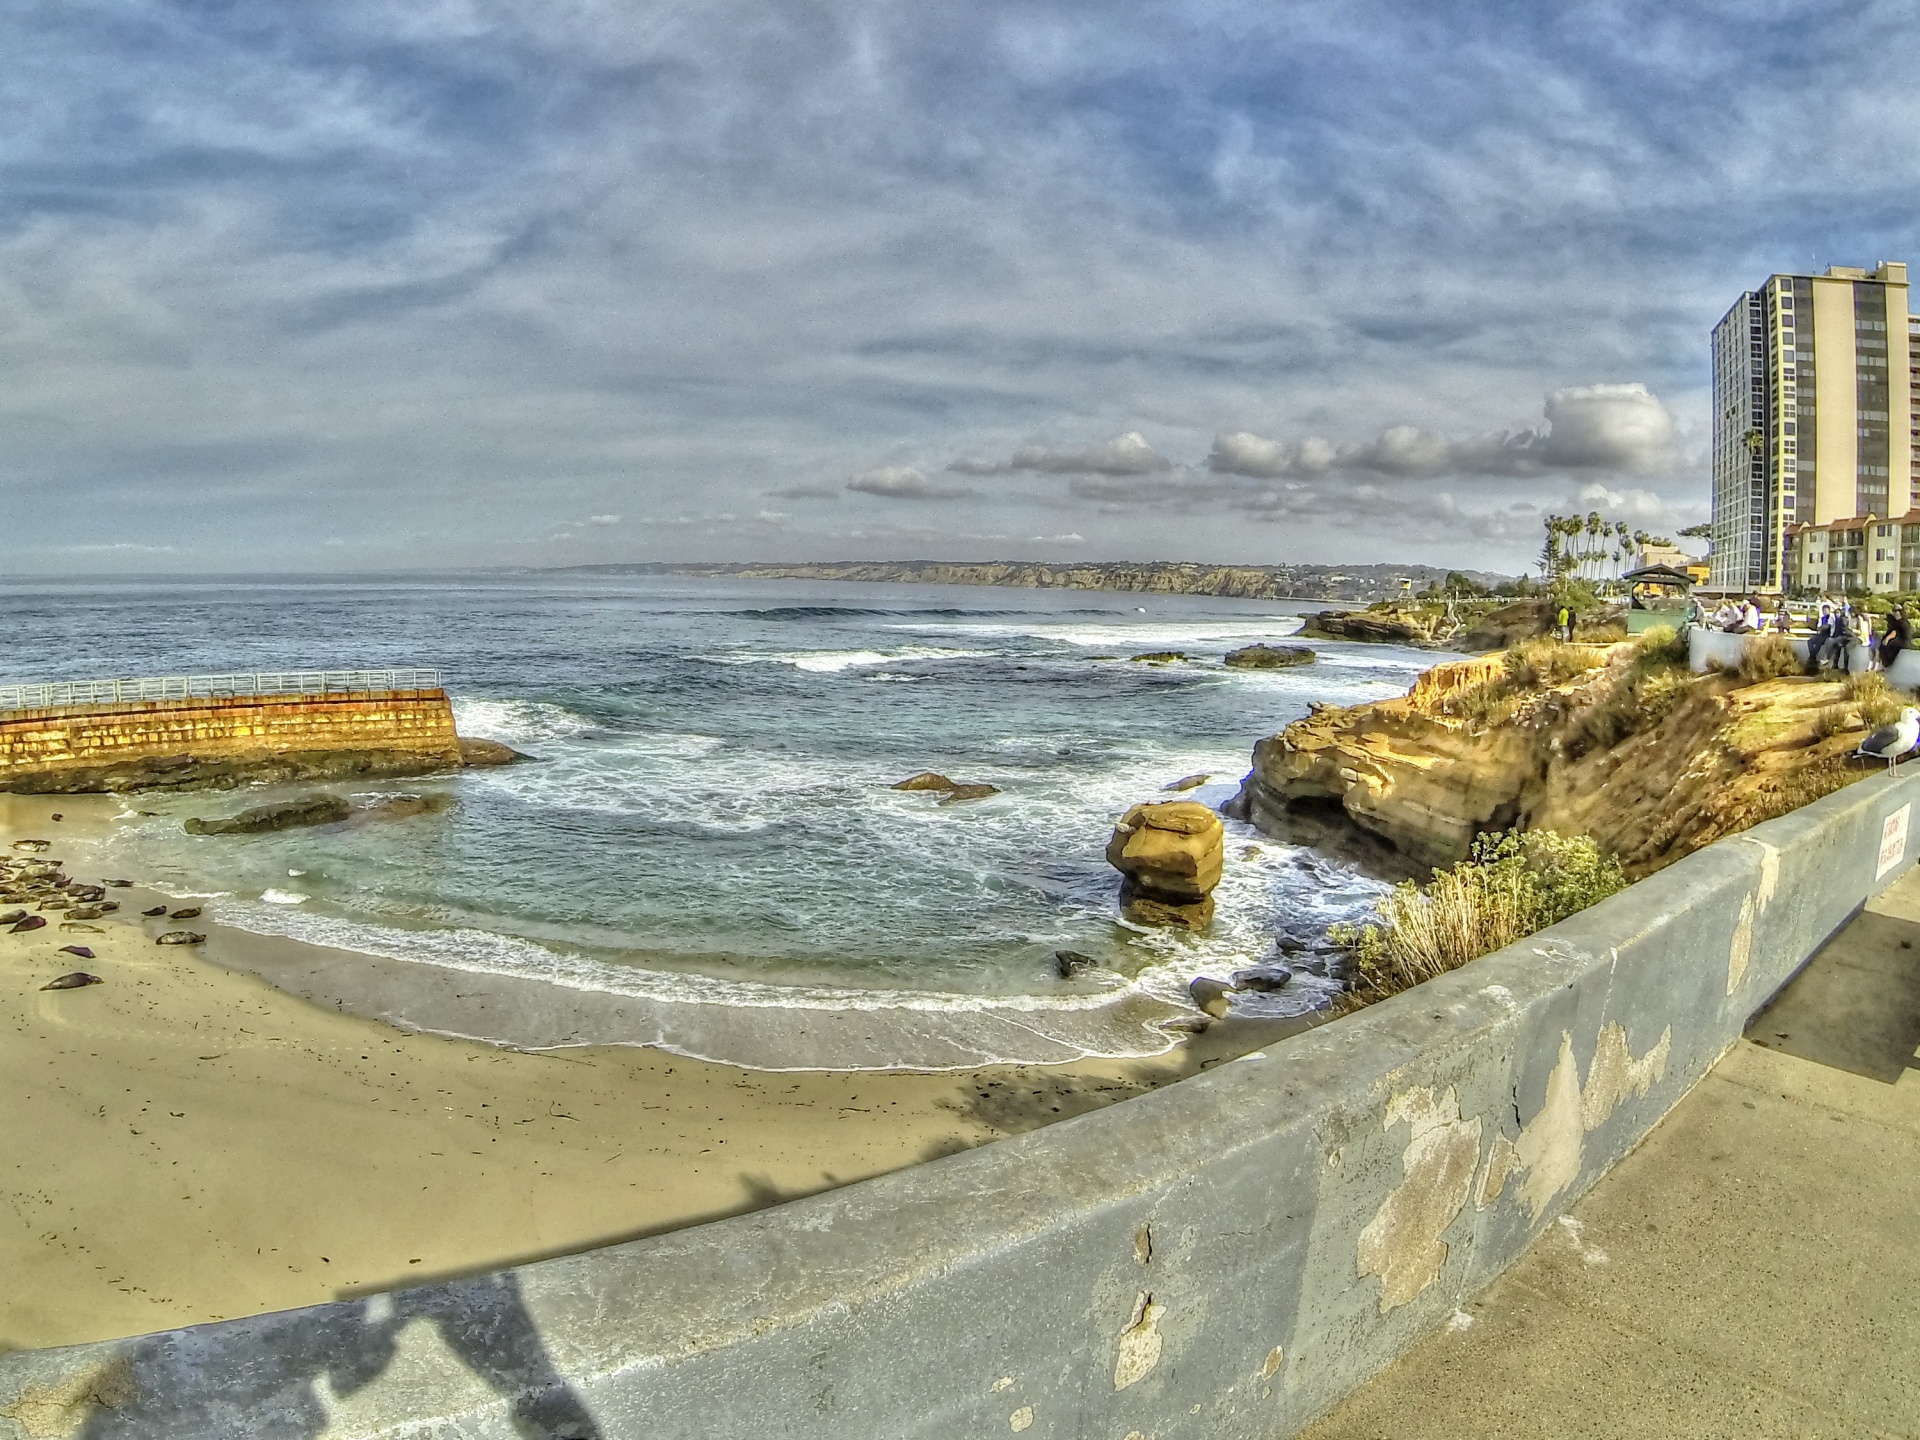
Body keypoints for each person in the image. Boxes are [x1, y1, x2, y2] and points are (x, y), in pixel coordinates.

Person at [1883, 606, 1912, 671]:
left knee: (1888, 646)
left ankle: (1887, 663)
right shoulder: (1904, 621)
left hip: (1903, 641)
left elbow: (1894, 633)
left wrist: (1887, 639)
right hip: (1906, 641)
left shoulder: (1900, 622)